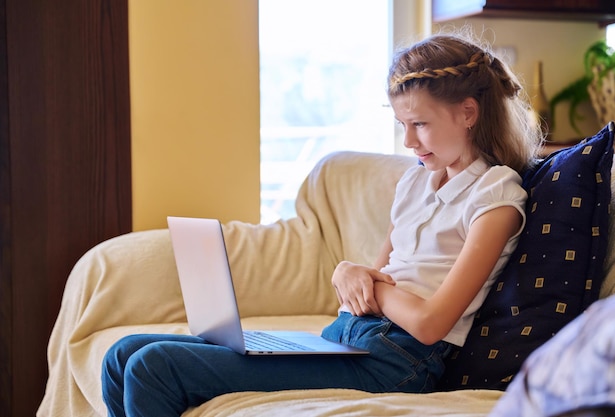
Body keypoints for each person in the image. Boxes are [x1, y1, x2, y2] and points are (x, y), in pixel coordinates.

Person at [101, 32, 543, 416]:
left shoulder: (496, 194)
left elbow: (429, 322)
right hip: (350, 334)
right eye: (401, 125)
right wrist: (359, 279)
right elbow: (378, 281)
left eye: (420, 124)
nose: (407, 141)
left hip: (399, 361)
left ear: (468, 113)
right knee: (122, 355)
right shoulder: (415, 183)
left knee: (153, 367)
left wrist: (354, 275)